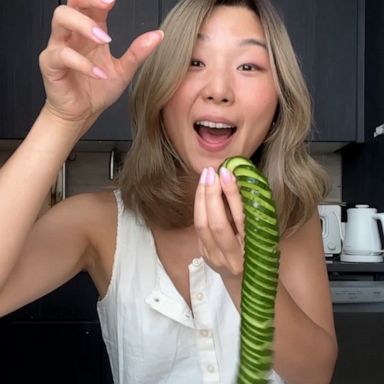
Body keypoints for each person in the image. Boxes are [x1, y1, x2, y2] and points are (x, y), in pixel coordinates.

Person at [0, 0, 338, 383]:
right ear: (162, 90)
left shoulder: (289, 211)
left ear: (279, 99)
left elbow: (315, 374)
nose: (219, 90)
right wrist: (62, 118)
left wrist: (244, 278)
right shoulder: (98, 222)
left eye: (248, 66)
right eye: (195, 61)